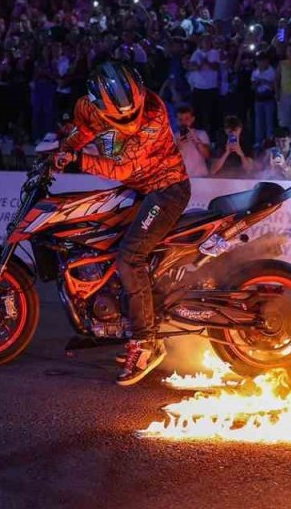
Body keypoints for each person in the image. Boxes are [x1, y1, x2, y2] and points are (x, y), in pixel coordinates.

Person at [54, 61, 189, 386]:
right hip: (139, 191)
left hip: (165, 190)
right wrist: (63, 149)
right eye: (123, 117)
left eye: (134, 112)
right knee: (104, 243)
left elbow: (122, 169)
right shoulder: (88, 108)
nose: (131, 121)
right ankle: (122, 317)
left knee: (129, 257)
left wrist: (77, 159)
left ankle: (146, 342)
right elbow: (80, 130)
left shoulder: (154, 115)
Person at [173, 105, 211, 178]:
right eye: (180, 119)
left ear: (193, 119)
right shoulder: (174, 137)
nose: (183, 122)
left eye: (187, 119)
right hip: (182, 178)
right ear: (177, 121)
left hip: (200, 177)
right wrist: (177, 147)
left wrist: (197, 140)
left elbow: (207, 155)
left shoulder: (201, 134)